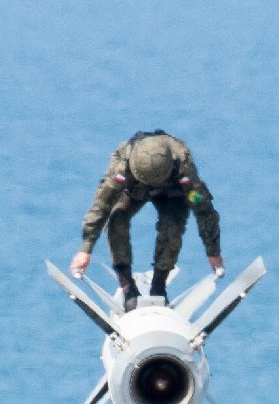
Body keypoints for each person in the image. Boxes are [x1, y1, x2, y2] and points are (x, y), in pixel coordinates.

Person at [69, 130, 223, 311]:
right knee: (116, 219)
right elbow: (101, 206)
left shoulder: (185, 171)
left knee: (173, 226)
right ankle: (127, 286)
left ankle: (159, 285)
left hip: (171, 192)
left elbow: (203, 209)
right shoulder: (121, 169)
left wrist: (213, 251)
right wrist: (85, 249)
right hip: (133, 190)